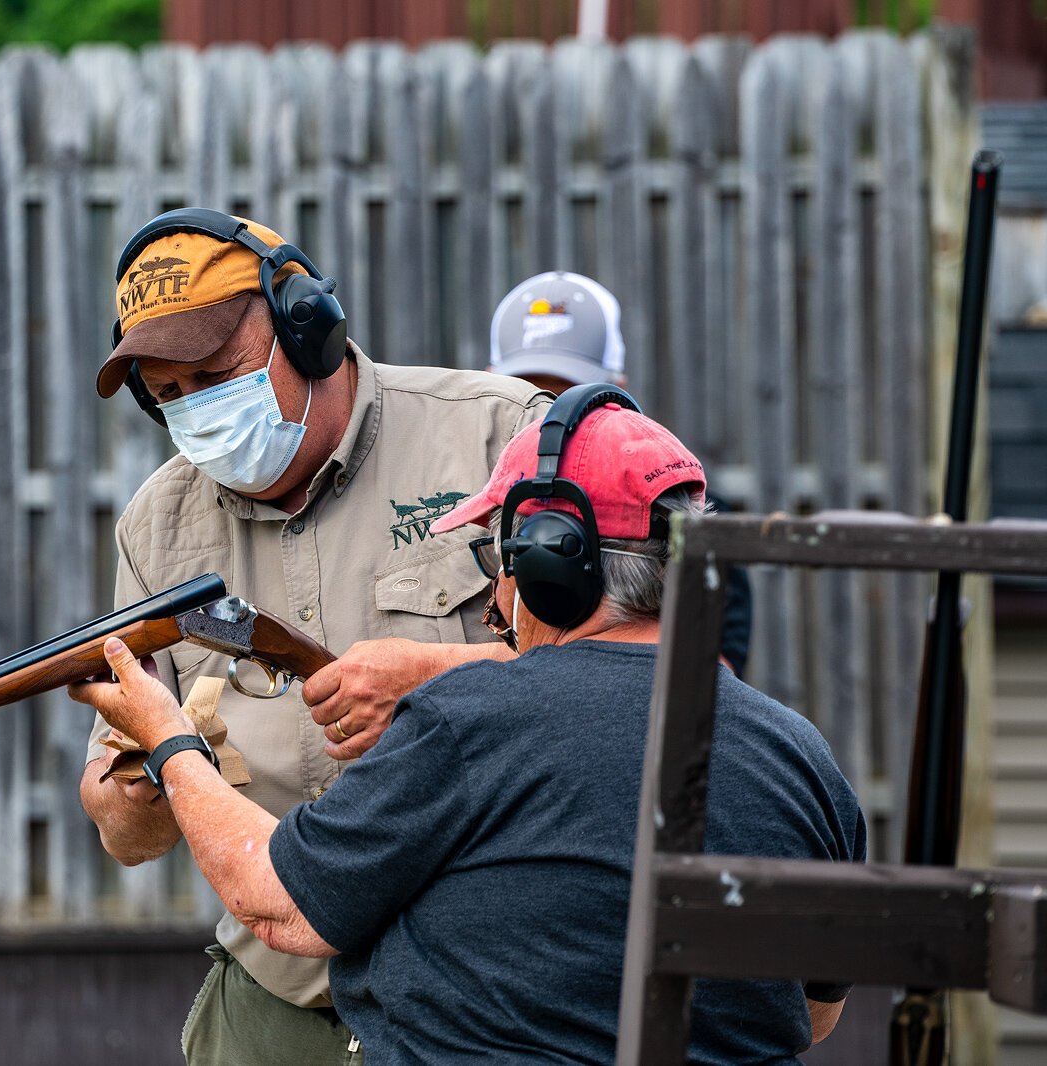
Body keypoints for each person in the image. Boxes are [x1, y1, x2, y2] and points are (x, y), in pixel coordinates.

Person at [69, 392, 864, 1065]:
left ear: (554, 567)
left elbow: (280, 905)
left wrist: (168, 739)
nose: (494, 595)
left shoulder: (465, 724)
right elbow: (814, 1013)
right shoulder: (801, 757)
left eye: (501, 557)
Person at [80, 208, 550, 1063]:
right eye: (169, 395)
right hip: (278, 995)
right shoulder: (157, 527)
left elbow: (626, 680)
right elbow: (125, 836)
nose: (198, 411)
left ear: (309, 330)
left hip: (492, 988)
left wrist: (436, 680)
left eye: (215, 374)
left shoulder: (500, 435)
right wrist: (153, 770)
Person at [490, 271, 753, 675]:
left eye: (565, 396)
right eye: (523, 399)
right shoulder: (452, 506)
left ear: (615, 393)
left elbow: (709, 691)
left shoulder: (683, 513)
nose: (548, 421)